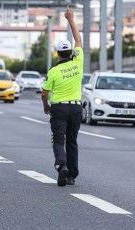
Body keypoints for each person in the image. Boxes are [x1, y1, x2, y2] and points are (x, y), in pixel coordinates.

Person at [41, 6, 83, 187]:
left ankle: (62, 165)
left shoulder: (54, 71)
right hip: (76, 108)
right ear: (71, 52)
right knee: (72, 141)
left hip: (59, 108)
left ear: (58, 54)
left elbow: (44, 93)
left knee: (59, 140)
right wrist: (70, 20)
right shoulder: (78, 62)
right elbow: (78, 39)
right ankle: (72, 175)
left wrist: (46, 106)